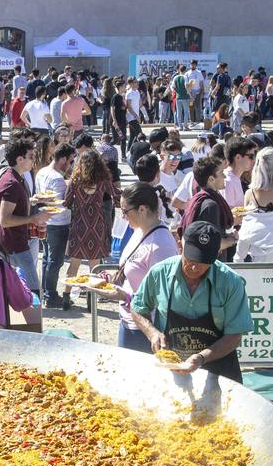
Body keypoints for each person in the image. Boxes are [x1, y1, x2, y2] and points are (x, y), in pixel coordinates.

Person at [129, 220, 254, 381]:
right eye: (191, 260)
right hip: (172, 365)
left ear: (217, 254)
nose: (195, 268)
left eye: (203, 262)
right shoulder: (159, 273)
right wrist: (152, 332)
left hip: (219, 368)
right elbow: (138, 308)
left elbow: (235, 335)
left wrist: (202, 357)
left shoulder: (231, 282)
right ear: (181, 246)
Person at [97, 182, 180, 351]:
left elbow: (164, 297)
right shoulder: (139, 230)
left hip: (149, 329)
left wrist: (125, 296)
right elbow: (133, 272)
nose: (122, 216)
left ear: (142, 209)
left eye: (125, 211)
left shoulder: (161, 245)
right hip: (129, 321)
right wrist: (111, 279)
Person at [0, 132, 54, 293]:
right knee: (33, 291)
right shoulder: (11, 183)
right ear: (20, 159)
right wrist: (34, 218)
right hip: (15, 245)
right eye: (31, 156)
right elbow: (5, 220)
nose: (34, 160)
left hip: (15, 243)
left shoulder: (15, 177)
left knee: (16, 290)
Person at [61, 149, 115, 306]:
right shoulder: (103, 179)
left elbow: (66, 202)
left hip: (80, 225)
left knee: (74, 264)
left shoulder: (75, 180)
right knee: (94, 266)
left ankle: (66, 296)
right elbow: (115, 194)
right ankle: (91, 301)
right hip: (97, 225)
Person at [35, 143, 73, 306]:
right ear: (63, 159)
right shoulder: (57, 178)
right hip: (58, 223)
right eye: (70, 161)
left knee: (47, 259)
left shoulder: (42, 172)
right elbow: (61, 204)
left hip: (44, 220)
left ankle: (46, 292)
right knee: (55, 261)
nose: (70, 164)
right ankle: (50, 295)